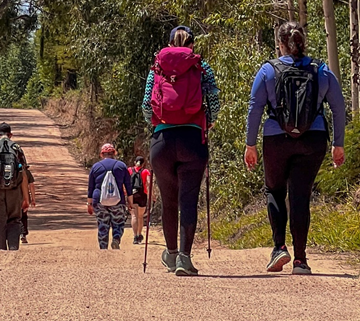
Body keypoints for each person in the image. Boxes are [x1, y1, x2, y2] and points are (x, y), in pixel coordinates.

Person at [244, 21, 346, 275]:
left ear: (280, 45)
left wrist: (251, 144)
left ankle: (279, 247)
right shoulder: (321, 70)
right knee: (300, 195)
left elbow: (255, 107)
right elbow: (338, 107)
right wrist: (338, 144)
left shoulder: (268, 71)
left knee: (275, 190)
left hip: (276, 138)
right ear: (302, 42)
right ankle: (300, 260)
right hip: (314, 138)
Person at [142, 25, 220, 276]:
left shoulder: (157, 68)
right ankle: (184, 259)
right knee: (188, 200)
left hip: (162, 141)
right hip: (192, 139)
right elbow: (215, 104)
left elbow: (146, 106)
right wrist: (206, 120)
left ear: (169, 44)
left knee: (168, 201)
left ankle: (171, 253)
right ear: (192, 45)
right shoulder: (202, 67)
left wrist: (159, 123)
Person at [0, 122, 30, 250]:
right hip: (14, 191)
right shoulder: (16, 147)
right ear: (11, 135)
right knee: (14, 220)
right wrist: (26, 198)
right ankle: (13, 249)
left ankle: (0, 251)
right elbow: (23, 175)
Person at [86, 143, 132, 249]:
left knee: (102, 223)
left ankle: (103, 248)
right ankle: (116, 238)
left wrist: (89, 203)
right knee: (118, 222)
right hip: (118, 200)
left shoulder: (96, 167)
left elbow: (91, 187)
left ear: (102, 154)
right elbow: (128, 186)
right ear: (114, 153)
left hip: (99, 200)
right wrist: (130, 202)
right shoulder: (121, 166)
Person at [128, 156, 151, 244]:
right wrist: (151, 195)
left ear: (135, 162)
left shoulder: (129, 170)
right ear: (143, 163)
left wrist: (125, 193)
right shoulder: (146, 171)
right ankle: (139, 234)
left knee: (134, 216)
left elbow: (125, 182)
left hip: (132, 195)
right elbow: (148, 183)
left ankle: (135, 237)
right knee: (140, 216)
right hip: (142, 195)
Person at [20, 164, 37, 244]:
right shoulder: (26, 172)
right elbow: (31, 186)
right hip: (24, 197)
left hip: (10, 198)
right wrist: (33, 199)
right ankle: (23, 235)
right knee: (23, 216)